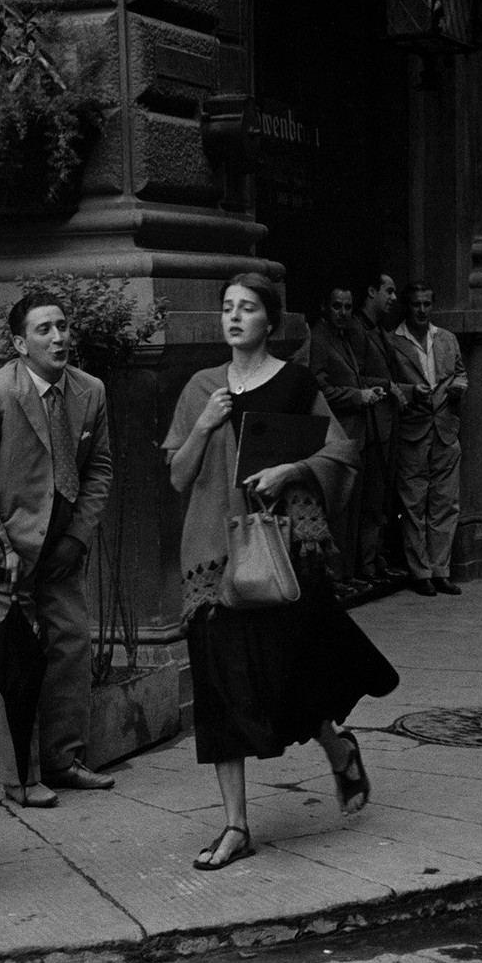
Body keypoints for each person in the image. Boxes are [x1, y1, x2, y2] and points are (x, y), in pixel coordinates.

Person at [163, 272, 399, 870]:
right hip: (214, 556)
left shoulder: (296, 384)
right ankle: (236, 825)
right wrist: (204, 425)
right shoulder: (200, 387)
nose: (234, 317)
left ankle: (335, 744)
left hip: (283, 551)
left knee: (287, 675)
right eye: (227, 308)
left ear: (272, 321)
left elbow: (342, 451)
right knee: (219, 689)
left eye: (247, 309)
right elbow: (177, 475)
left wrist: (291, 470)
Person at [0, 291, 115, 808]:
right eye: (44, 329)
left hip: (62, 550)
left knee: (70, 646)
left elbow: (99, 470)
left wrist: (76, 537)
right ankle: (20, 778)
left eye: (63, 326)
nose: (59, 336)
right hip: (6, 554)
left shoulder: (90, 391)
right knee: (13, 664)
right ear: (21, 343)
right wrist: (2, 550)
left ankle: (65, 761)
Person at [306, 285, 384, 593]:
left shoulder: (343, 338)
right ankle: (335, 579)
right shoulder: (320, 339)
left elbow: (350, 377)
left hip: (355, 434)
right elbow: (319, 388)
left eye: (348, 307)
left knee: (353, 508)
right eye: (337, 306)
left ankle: (347, 574)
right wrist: (357, 396)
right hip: (337, 435)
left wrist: (371, 390)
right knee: (338, 511)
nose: (343, 313)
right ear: (325, 307)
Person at [390, 283, 467, 596]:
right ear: (407, 307)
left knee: (445, 502)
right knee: (413, 503)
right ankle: (420, 572)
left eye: (426, 304)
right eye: (416, 305)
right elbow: (387, 382)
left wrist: (460, 386)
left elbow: (460, 372)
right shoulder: (393, 341)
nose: (422, 311)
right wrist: (409, 392)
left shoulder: (447, 338)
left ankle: (440, 570)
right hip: (412, 428)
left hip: (446, 428)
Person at [355, 274, 409, 583]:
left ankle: (375, 559)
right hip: (370, 424)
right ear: (372, 291)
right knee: (372, 497)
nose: (393, 298)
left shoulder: (380, 330)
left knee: (383, 496)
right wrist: (389, 386)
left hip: (387, 423)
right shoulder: (358, 329)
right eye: (388, 291)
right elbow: (355, 376)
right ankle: (366, 565)